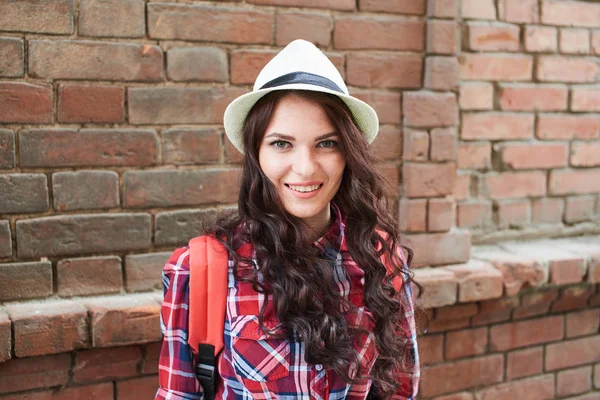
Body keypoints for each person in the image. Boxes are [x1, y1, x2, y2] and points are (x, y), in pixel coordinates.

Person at [156, 39, 420, 400]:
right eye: (281, 143)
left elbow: (400, 391)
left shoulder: (382, 262)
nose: (306, 167)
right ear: (257, 153)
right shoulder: (200, 269)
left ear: (348, 153)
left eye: (327, 143)